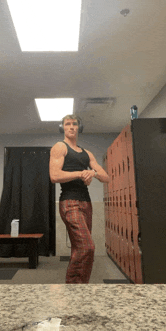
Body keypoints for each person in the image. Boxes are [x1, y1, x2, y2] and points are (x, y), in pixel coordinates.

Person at [49, 114, 110, 283]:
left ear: (79, 128)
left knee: (79, 248)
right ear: (62, 127)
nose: (71, 127)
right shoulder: (60, 147)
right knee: (87, 247)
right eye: (67, 124)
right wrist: (81, 173)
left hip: (86, 203)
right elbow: (54, 176)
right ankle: (74, 288)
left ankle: (80, 289)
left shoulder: (87, 153)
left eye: (74, 124)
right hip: (69, 202)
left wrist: (93, 173)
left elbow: (106, 177)